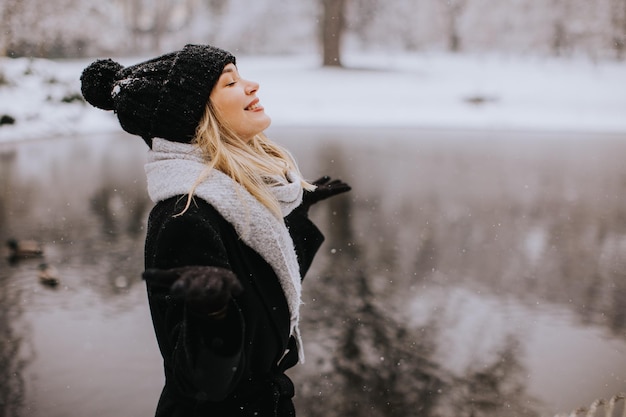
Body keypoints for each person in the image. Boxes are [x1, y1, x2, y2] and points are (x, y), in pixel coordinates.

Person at [80, 44, 350, 417]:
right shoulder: (185, 218)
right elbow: (205, 383)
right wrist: (212, 317)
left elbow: (266, 298)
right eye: (231, 83)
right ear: (195, 114)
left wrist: (295, 219)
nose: (252, 86)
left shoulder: (234, 196)